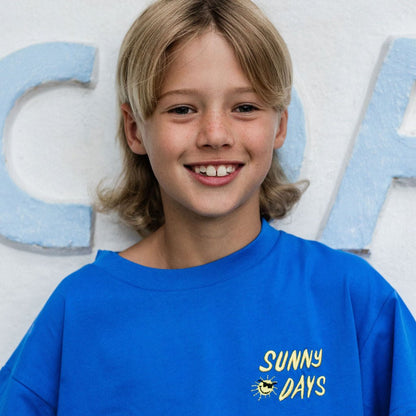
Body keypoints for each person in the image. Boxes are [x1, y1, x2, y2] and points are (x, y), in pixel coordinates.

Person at [1, 0, 415, 414]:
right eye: (182, 109)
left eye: (245, 107)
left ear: (281, 125)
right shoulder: (79, 309)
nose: (215, 135)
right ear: (135, 129)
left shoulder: (352, 299)